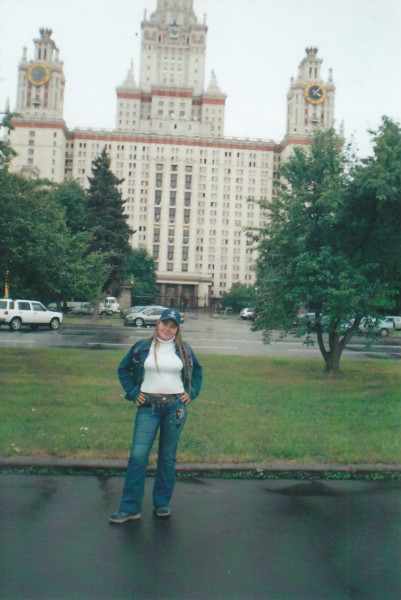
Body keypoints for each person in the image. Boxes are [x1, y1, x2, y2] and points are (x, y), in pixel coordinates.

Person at [109, 308, 203, 523]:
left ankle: (162, 503)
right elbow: (123, 369)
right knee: (138, 456)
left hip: (176, 408)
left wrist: (191, 393)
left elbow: (197, 371)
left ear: (177, 329)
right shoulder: (142, 347)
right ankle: (130, 508)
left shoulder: (185, 350)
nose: (167, 329)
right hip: (148, 407)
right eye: (164, 324)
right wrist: (134, 393)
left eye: (172, 326)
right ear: (158, 324)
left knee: (167, 457)